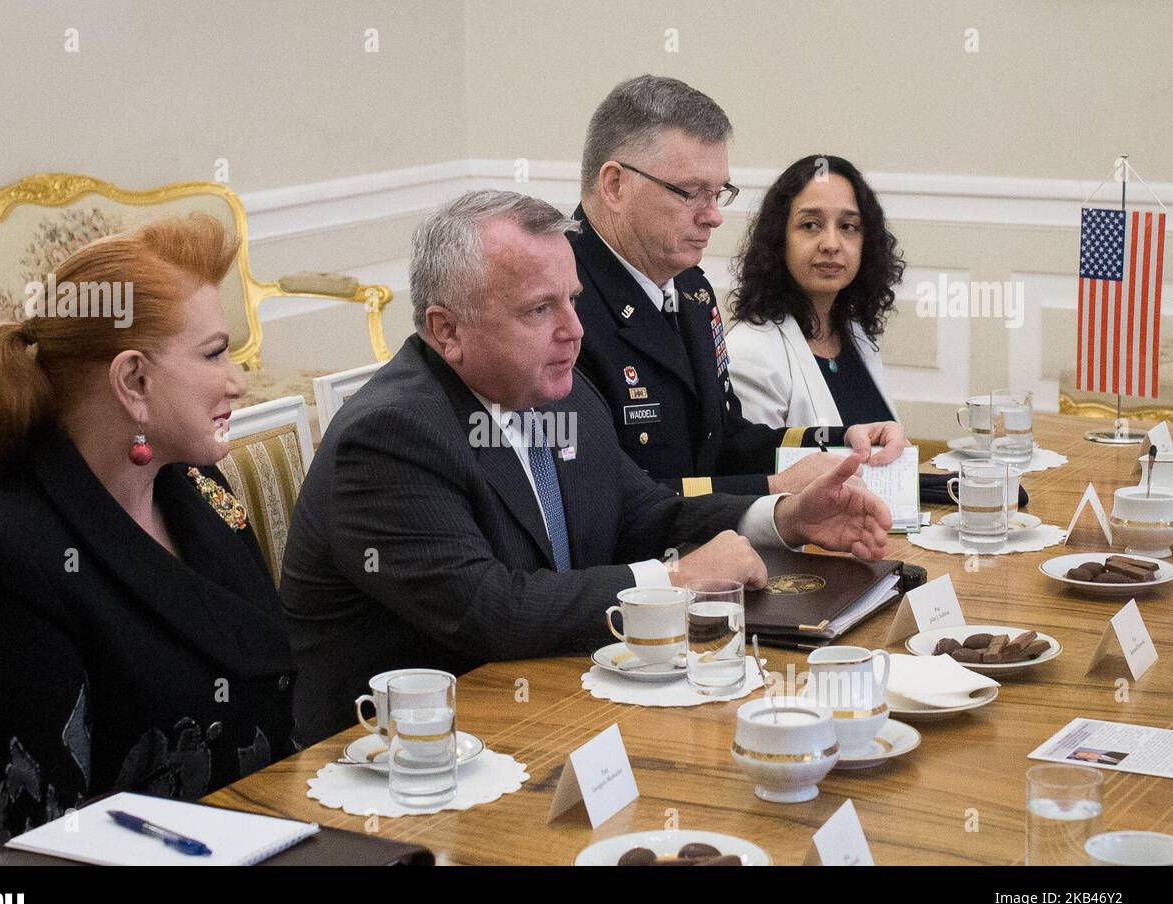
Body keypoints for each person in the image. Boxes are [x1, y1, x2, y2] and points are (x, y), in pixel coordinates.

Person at [279, 190, 893, 744]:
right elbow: (494, 610)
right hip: (402, 757)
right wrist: (674, 584)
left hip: (546, 708)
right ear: (447, 330)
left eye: (572, 300)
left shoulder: (557, 393)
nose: (575, 331)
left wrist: (786, 517)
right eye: (539, 310)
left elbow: (642, 512)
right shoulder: (392, 436)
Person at [0, 215, 297, 864]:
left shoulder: (200, 486)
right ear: (133, 382)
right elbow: (39, 842)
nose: (239, 380)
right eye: (214, 352)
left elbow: (273, 707)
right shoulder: (1, 560)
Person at [571, 75, 905, 498]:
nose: (713, 216)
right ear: (615, 184)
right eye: (691, 193)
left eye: (719, 193)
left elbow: (724, 441)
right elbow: (607, 498)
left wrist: (840, 441)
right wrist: (774, 488)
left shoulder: (689, 289)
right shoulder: (561, 303)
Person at [726, 155, 904, 429]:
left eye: (848, 227)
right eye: (811, 225)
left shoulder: (855, 335)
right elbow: (760, 468)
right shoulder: (751, 353)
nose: (831, 244)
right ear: (778, 238)